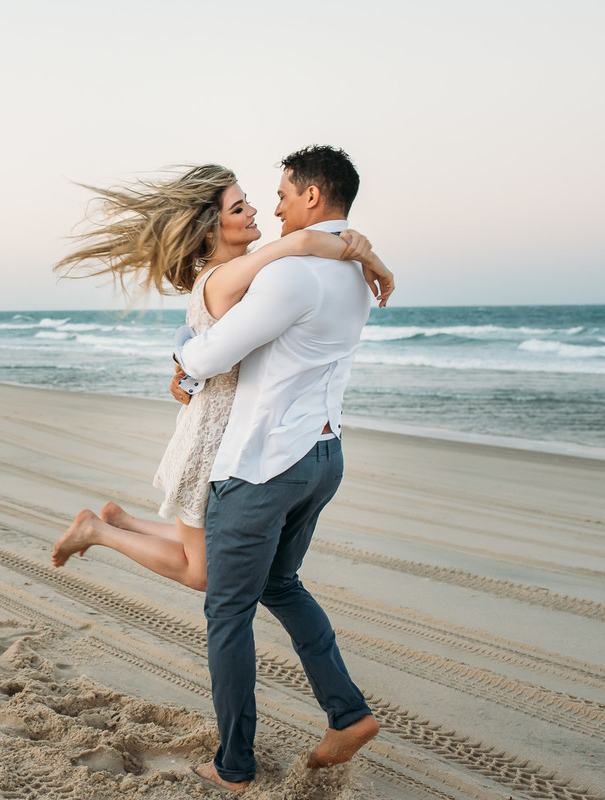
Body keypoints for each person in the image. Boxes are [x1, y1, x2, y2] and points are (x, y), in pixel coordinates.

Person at [50, 165, 392, 596]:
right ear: (212, 231)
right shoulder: (226, 276)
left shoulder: (246, 273)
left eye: (246, 201)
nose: (254, 211)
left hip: (232, 430)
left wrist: (357, 246)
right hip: (213, 438)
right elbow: (304, 240)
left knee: (216, 546)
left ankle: (123, 522)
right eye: (239, 206)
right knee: (203, 573)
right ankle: (99, 531)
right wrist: (367, 256)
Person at [174, 146, 382, 792]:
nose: (278, 203)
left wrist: (184, 357)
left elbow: (211, 355)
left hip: (265, 465)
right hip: (324, 456)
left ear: (314, 197)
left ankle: (233, 764)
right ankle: (345, 713)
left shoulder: (292, 275)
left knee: (227, 612)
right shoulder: (354, 272)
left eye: (286, 192)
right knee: (281, 584)